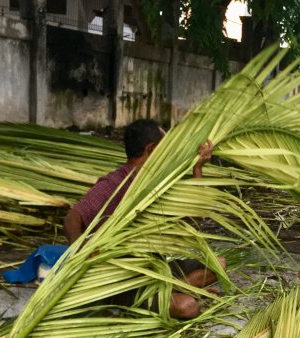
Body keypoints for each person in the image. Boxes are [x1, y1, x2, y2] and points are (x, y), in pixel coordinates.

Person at [64, 118, 226, 319]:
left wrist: (198, 170)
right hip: (128, 282)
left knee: (219, 264)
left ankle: (175, 289)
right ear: (150, 150)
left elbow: (194, 218)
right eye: (164, 148)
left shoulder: (159, 183)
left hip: (156, 269)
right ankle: (160, 296)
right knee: (187, 307)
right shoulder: (115, 183)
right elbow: (73, 216)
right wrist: (81, 250)